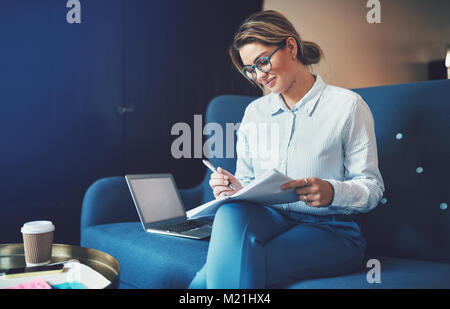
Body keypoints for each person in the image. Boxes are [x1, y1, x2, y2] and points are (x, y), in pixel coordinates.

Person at [188, 10, 384, 289]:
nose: (259, 75)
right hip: (270, 219)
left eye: (263, 61)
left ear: (290, 47)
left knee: (230, 269)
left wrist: (332, 191)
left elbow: (372, 188)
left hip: (330, 229)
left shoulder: (348, 106)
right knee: (230, 213)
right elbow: (249, 182)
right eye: (250, 69)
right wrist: (235, 188)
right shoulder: (254, 112)